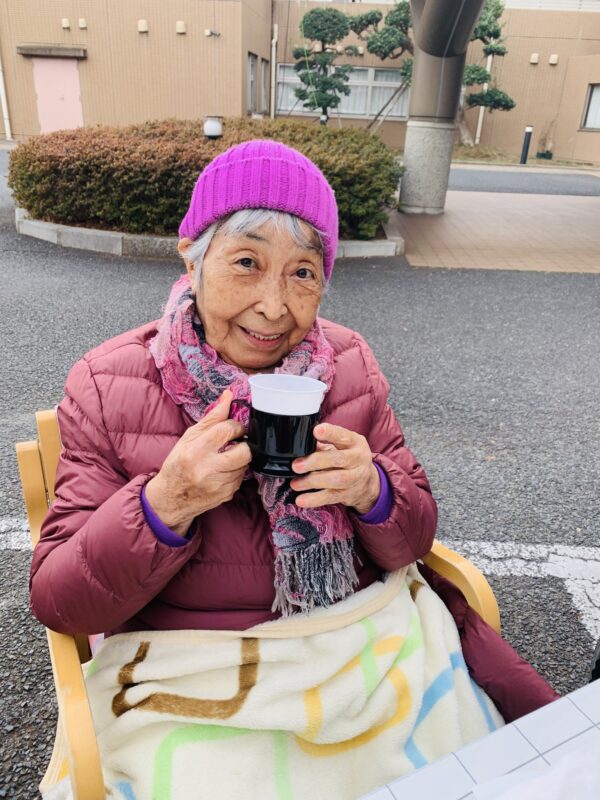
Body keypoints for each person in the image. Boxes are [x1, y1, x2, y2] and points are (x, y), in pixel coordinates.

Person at [29, 141, 557, 799]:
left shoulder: (348, 363)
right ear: (191, 257)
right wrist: (165, 503)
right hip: (193, 674)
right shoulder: (110, 383)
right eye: (246, 263)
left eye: (302, 272)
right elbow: (61, 600)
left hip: (358, 648)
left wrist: (374, 490)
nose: (275, 307)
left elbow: (414, 538)